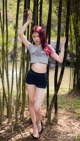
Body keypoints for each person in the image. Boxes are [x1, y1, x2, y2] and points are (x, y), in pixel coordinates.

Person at [19, 10, 66, 139]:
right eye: (33, 36)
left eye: (37, 36)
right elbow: (20, 33)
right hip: (31, 76)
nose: (35, 39)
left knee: (38, 107)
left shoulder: (48, 48)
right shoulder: (31, 47)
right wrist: (28, 21)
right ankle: (35, 125)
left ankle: (39, 122)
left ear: (42, 36)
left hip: (41, 79)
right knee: (31, 102)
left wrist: (62, 46)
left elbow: (60, 60)